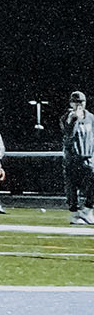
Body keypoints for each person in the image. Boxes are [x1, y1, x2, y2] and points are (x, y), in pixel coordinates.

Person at [62, 92, 92, 225]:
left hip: (88, 158)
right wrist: (75, 119)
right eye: (76, 102)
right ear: (71, 103)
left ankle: (87, 210)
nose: (79, 105)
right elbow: (68, 134)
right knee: (72, 187)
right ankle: (75, 214)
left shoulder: (91, 117)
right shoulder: (66, 118)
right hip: (73, 158)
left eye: (81, 102)